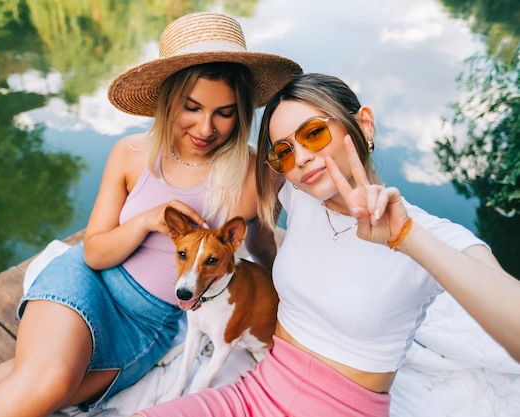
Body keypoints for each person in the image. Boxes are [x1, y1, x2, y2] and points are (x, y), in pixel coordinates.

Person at [0, 12, 302, 417]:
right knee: (46, 382)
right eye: (191, 107)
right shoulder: (130, 155)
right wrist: (145, 220)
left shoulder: (255, 175)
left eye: (225, 112)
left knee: (28, 383)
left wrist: (297, 311)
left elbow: (264, 247)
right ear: (168, 100)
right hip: (88, 283)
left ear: (243, 111)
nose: (206, 127)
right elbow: (94, 253)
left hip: (149, 325)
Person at [133, 73, 520, 417]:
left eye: (313, 133)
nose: (300, 157)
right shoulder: (300, 197)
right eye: (283, 151)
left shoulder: (428, 233)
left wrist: (408, 239)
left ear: (364, 124)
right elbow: (236, 185)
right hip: (255, 390)